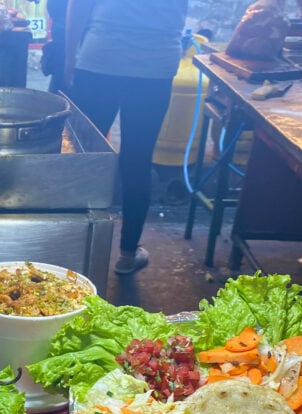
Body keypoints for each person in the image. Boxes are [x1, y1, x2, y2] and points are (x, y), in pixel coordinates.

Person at [64, 0, 188, 276]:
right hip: (155, 66)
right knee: (137, 159)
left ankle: (73, 251)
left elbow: (79, 6)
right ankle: (128, 255)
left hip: (100, 58)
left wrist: (70, 55)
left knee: (86, 160)